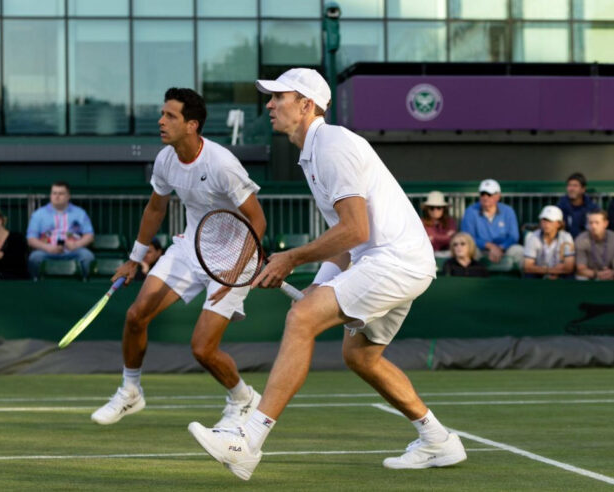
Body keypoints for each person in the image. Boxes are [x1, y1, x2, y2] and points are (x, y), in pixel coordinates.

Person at [188, 68, 465, 480]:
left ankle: (247, 442)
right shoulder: (313, 153)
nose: (269, 105)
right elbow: (348, 243)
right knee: (360, 356)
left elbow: (356, 230)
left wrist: (291, 259)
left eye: (278, 97)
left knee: (301, 318)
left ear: (306, 105)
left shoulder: (332, 144)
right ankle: (438, 440)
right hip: (392, 260)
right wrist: (319, 286)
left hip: (395, 260)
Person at [90, 88, 266, 430]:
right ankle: (130, 391)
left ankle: (243, 399)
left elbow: (257, 221)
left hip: (233, 259)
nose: (161, 121)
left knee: (202, 349)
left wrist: (234, 271)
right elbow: (156, 208)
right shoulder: (166, 159)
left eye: (170, 115)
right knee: (136, 315)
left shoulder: (222, 164)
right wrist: (134, 259)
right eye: (162, 113)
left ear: (192, 125)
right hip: (191, 248)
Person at [26, 181, 95, 280]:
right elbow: (31, 239)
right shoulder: (38, 214)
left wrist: (76, 245)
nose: (57, 196)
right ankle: (37, 287)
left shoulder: (80, 213)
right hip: (47, 251)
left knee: (87, 257)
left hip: (73, 251)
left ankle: (83, 286)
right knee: (34, 258)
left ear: (68, 196)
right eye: (54, 193)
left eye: (61, 193)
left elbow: (89, 235)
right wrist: (47, 247)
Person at [460, 179, 523, 267]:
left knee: (519, 251)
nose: (485, 197)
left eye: (489, 194)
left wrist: (500, 248)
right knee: (468, 251)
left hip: (504, 248)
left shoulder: (508, 211)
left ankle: (522, 279)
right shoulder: (471, 211)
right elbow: (468, 237)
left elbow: (514, 236)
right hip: (480, 249)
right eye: (483, 194)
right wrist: (490, 246)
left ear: (498, 196)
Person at [523, 205, 574, 280]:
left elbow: (569, 267)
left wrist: (555, 273)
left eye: (550, 221)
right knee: (529, 276)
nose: (546, 224)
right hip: (539, 274)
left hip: (559, 275)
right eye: (543, 220)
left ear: (558, 224)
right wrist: (551, 271)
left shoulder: (566, 238)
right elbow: (527, 267)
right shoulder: (533, 237)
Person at [556, 172, 598, 239]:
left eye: (575, 186)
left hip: (587, 242)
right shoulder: (560, 206)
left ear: (583, 189)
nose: (571, 189)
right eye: (569, 185)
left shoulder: (592, 207)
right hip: (565, 242)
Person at [575, 210, 614, 281]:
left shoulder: (612, 238)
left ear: (605, 223)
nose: (593, 226)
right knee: (580, 277)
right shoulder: (581, 239)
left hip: (611, 275)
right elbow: (581, 268)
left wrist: (611, 273)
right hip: (591, 276)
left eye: (597, 223)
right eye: (590, 223)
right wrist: (598, 274)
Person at [421, 190, 456, 256]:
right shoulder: (421, 222)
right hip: (428, 255)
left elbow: (452, 240)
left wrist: (433, 238)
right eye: (432, 208)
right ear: (427, 209)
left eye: (439, 207)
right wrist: (446, 236)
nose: (435, 210)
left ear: (444, 209)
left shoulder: (450, 221)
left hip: (448, 255)